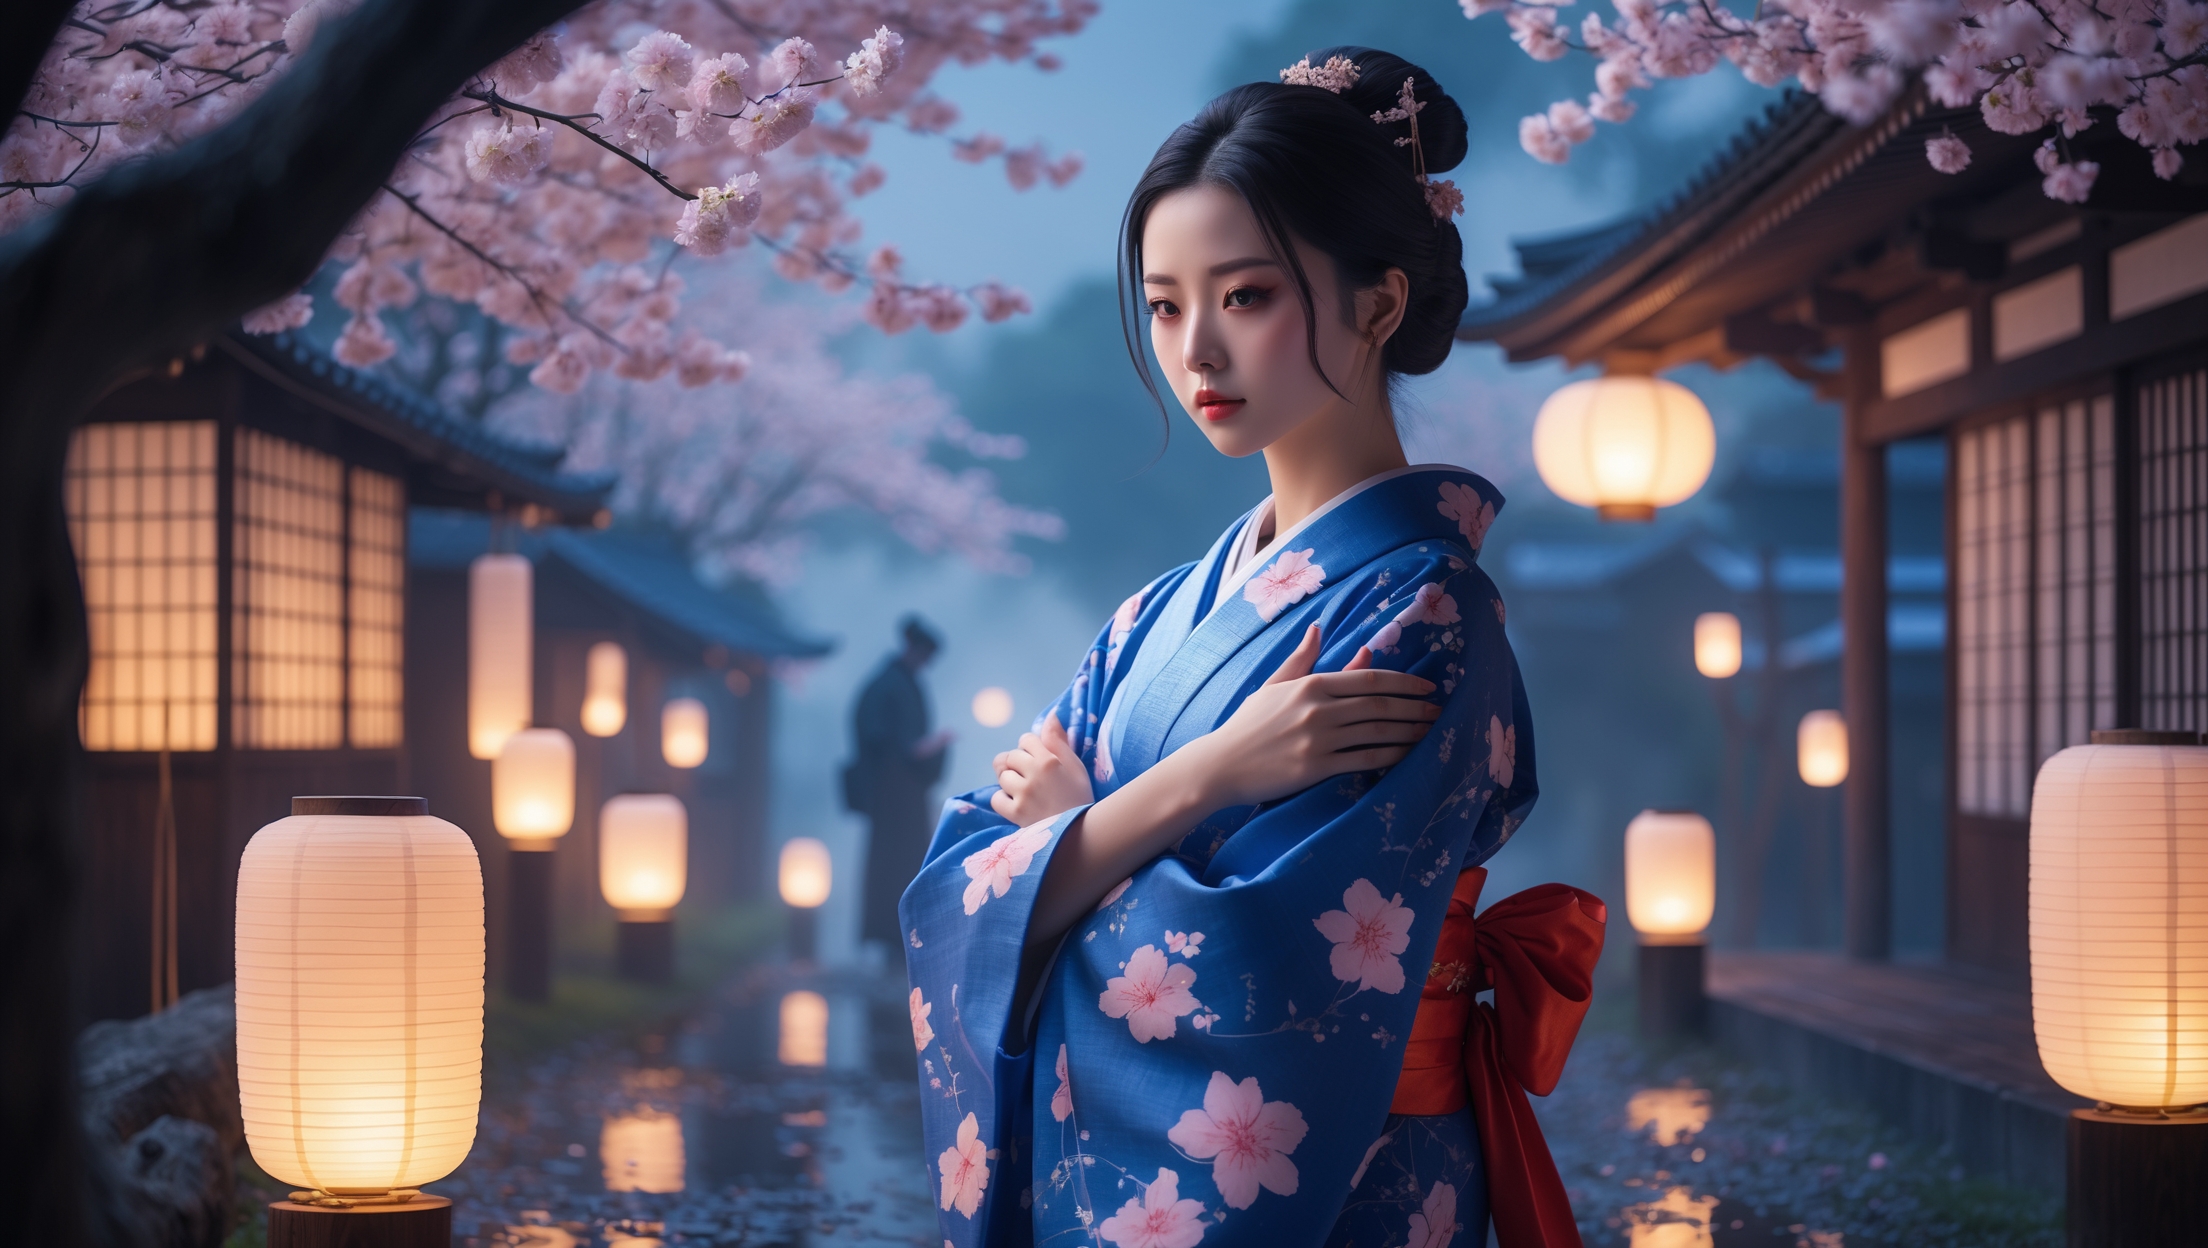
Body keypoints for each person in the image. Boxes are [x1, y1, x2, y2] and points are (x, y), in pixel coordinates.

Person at [899, 48, 1606, 1248]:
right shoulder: (1153, 615)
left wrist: (1078, 839)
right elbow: (965, 876)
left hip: (1350, 1177)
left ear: (1377, 303)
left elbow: (1271, 975)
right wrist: (1211, 777)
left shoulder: (1425, 616)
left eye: (1245, 296)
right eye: (1167, 305)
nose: (1195, 355)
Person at [850, 614, 954, 953]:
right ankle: (889, 935)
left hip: (906, 792)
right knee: (892, 862)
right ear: (914, 649)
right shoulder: (887, 684)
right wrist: (915, 750)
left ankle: (902, 935)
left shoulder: (904, 682)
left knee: (907, 860)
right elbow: (876, 736)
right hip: (891, 791)